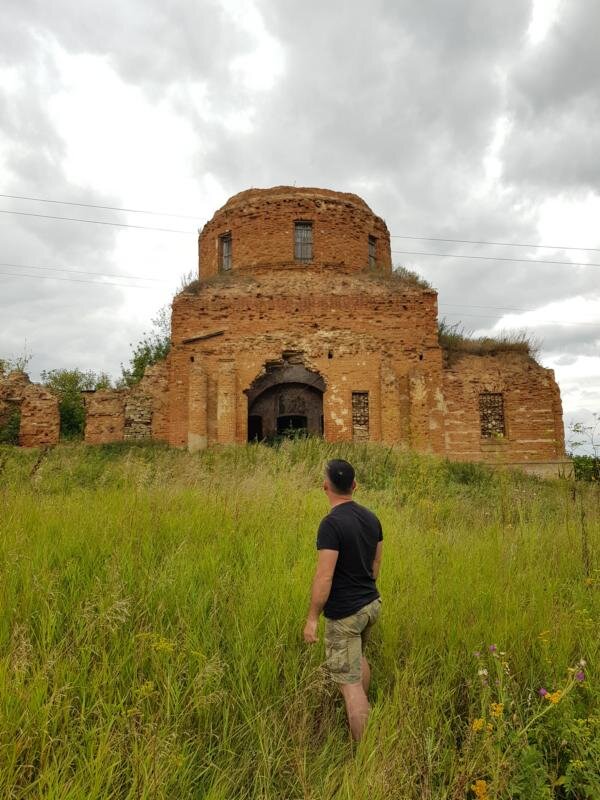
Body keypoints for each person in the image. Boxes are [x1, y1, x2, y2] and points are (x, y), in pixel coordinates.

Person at [303, 459, 383, 741]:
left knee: (350, 688)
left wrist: (312, 618)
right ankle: (361, 702)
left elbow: (324, 577)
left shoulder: (331, 524)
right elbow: (375, 565)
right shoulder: (372, 517)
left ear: (325, 486)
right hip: (370, 605)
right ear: (354, 486)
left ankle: (366, 756)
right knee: (358, 658)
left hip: (345, 614)